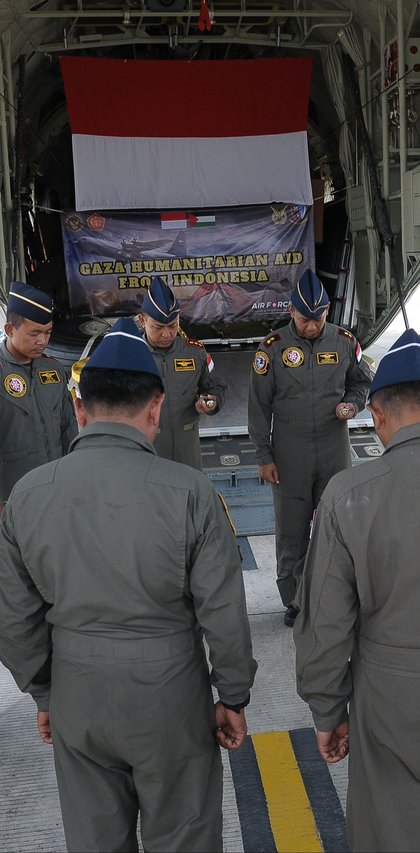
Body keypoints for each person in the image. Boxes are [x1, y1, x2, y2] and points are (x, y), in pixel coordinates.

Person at [0, 317, 257, 853]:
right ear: (157, 409)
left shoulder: (28, 495)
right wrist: (232, 695)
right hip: (172, 695)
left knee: (95, 840)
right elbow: (224, 611)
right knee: (184, 835)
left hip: (78, 694)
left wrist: (45, 690)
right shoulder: (190, 492)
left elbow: (13, 615)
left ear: (78, 408)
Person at [294, 327, 420, 853]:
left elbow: (325, 621)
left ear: (375, 416)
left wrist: (328, 710)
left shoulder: (348, 494)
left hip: (393, 705)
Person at [248, 269, 372, 627]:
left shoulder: (346, 342)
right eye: (305, 320)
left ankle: (341, 595)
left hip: (335, 446)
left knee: (340, 524)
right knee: (292, 530)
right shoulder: (271, 349)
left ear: (327, 312)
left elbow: (361, 383)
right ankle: (296, 599)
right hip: (290, 452)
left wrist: (352, 405)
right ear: (292, 312)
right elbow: (258, 408)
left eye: (318, 319)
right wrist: (263, 456)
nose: (312, 327)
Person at [0, 281, 78, 512]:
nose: (43, 341)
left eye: (48, 332)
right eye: (34, 333)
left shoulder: (53, 370)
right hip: (12, 498)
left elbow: (68, 428)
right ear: (10, 330)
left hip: (55, 491)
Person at [138, 275, 228, 469]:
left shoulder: (195, 352)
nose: (167, 334)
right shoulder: (129, 355)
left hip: (188, 450)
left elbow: (217, 386)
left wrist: (211, 402)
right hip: (145, 450)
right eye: (158, 327)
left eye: (173, 326)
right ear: (142, 321)